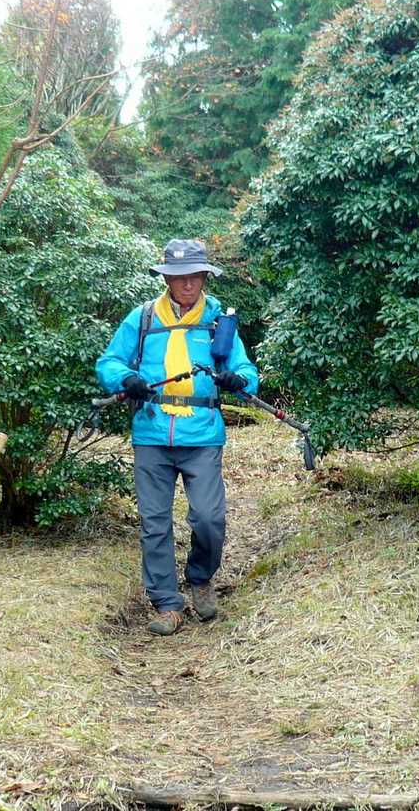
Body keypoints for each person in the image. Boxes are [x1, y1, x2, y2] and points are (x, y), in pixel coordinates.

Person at [96, 238, 259, 636]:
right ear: (166, 279)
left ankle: (200, 578)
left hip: (202, 434)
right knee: (154, 522)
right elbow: (110, 361)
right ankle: (167, 603)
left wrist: (238, 380)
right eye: (180, 277)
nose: (188, 284)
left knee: (209, 518)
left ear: (205, 277)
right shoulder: (143, 318)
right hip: (151, 432)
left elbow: (245, 371)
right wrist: (126, 379)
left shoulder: (219, 322)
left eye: (195, 276)